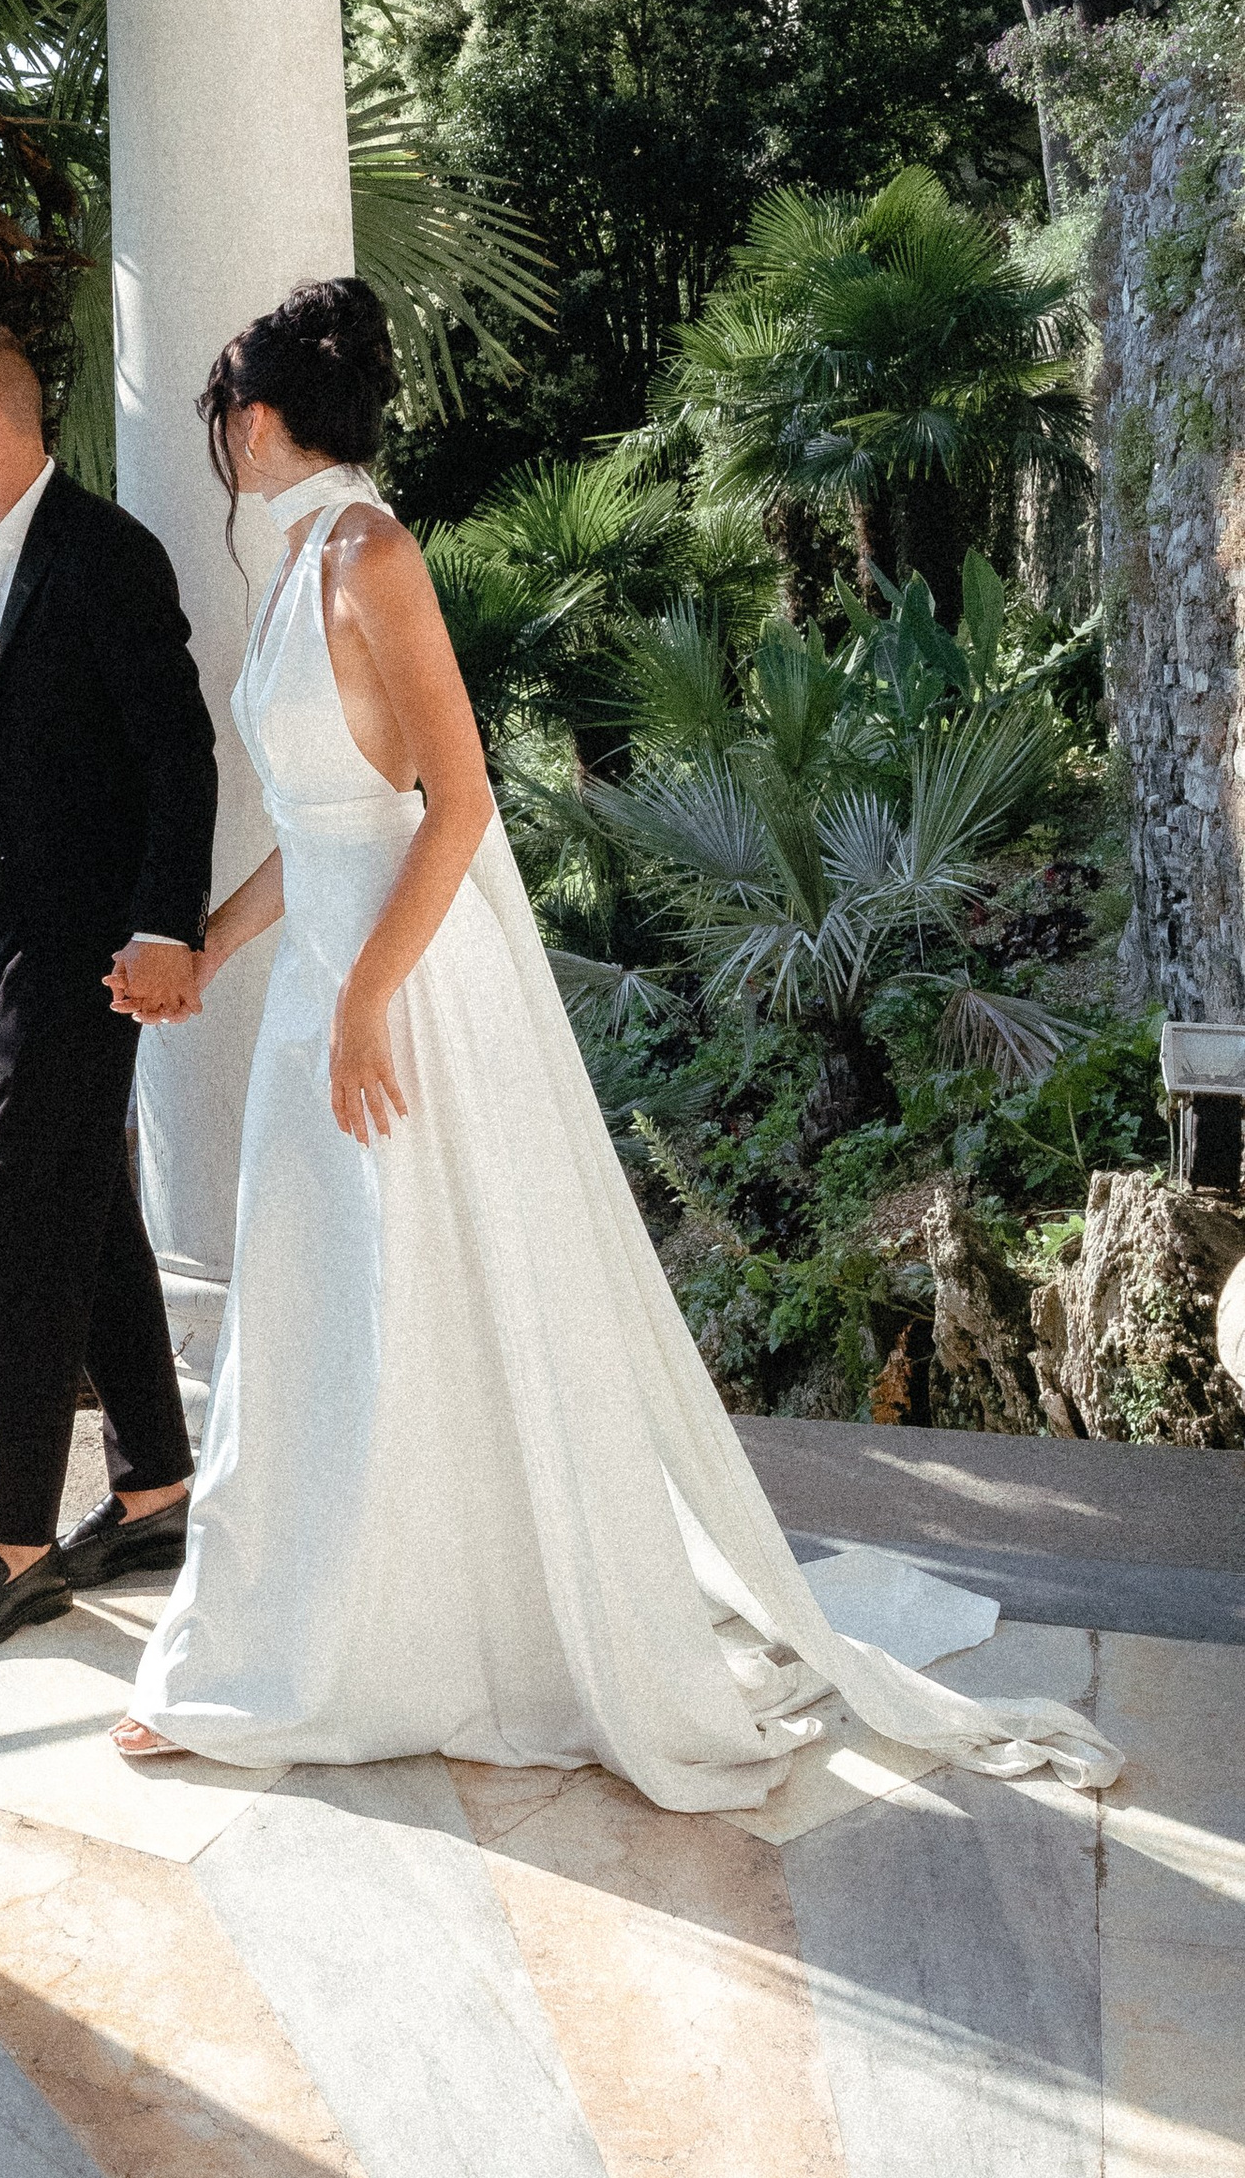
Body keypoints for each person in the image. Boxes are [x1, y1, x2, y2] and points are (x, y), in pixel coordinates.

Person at [111, 275, 1119, 1809]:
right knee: (316, 1310)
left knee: (418, 1304)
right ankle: (291, 1649)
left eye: (219, 425)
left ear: (254, 424)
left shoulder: (374, 556)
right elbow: (322, 827)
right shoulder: (296, 568)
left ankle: (396, 1651)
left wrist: (368, 1000)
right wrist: (206, 946)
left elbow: (458, 804)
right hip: (325, 981)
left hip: (404, 992)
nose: (221, 449)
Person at [0, 319, 220, 1655]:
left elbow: (179, 756)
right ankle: (156, 1492)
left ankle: (18, 1549)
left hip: (85, 944)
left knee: (25, 1202)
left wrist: (165, 927)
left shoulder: (105, 555)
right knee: (83, 1193)